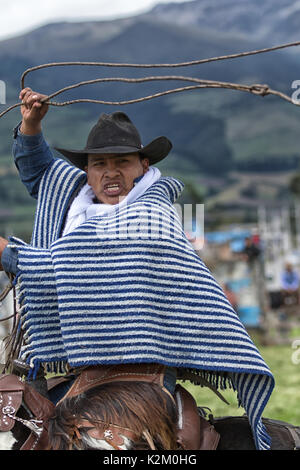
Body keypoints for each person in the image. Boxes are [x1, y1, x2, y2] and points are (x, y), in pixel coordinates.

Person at [0, 88, 274, 450]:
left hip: (143, 374)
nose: (110, 173)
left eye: (122, 162)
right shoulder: (75, 198)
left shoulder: (151, 215)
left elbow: (76, 265)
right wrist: (31, 125)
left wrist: (10, 253)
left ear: (143, 166)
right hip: (81, 368)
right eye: (99, 164)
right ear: (86, 172)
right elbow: (41, 172)